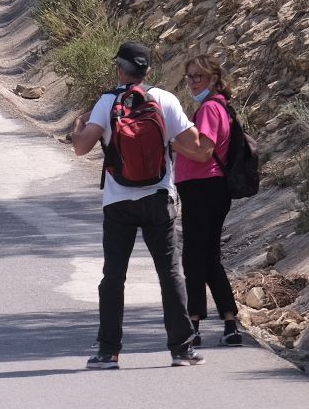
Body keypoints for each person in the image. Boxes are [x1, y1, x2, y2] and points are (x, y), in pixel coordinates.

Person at [71, 41, 214, 369]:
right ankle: (181, 350)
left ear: (119, 68)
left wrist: (79, 125)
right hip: (158, 198)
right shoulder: (164, 99)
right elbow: (196, 147)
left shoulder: (107, 102)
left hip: (118, 202)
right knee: (170, 273)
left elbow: (81, 148)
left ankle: (108, 351)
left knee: (113, 277)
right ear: (148, 70)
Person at [177, 55, 245, 348]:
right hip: (214, 189)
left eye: (198, 77)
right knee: (209, 258)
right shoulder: (223, 108)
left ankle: (192, 324)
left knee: (193, 258)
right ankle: (230, 322)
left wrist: (172, 142)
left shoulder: (208, 110)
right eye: (190, 77)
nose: (193, 82)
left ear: (214, 80)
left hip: (202, 187)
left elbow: (204, 153)